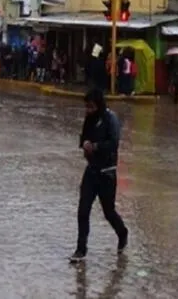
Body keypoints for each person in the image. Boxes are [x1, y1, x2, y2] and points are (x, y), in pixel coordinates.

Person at [71, 88, 128, 263]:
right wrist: (85, 145)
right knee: (83, 211)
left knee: (108, 211)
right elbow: (83, 138)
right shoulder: (89, 119)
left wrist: (95, 146)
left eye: (91, 107)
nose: (88, 110)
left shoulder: (111, 119)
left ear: (99, 105)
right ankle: (81, 250)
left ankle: (122, 232)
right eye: (86, 107)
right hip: (91, 171)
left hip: (107, 174)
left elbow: (113, 143)